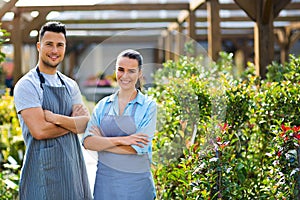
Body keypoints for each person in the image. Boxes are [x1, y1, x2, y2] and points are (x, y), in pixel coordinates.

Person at [13, 21, 92, 200]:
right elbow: (40, 131)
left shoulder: (70, 85)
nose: (54, 50)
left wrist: (55, 118)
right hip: (41, 172)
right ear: (39, 47)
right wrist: (73, 123)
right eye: (49, 44)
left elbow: (85, 125)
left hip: (73, 171)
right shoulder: (27, 85)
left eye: (60, 45)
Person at [82, 49, 157, 200]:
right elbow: (88, 142)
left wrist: (102, 142)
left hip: (137, 187)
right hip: (106, 186)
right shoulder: (103, 105)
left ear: (140, 74)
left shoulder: (148, 106)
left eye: (131, 71)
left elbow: (137, 148)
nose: (125, 76)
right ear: (115, 71)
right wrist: (122, 139)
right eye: (121, 70)